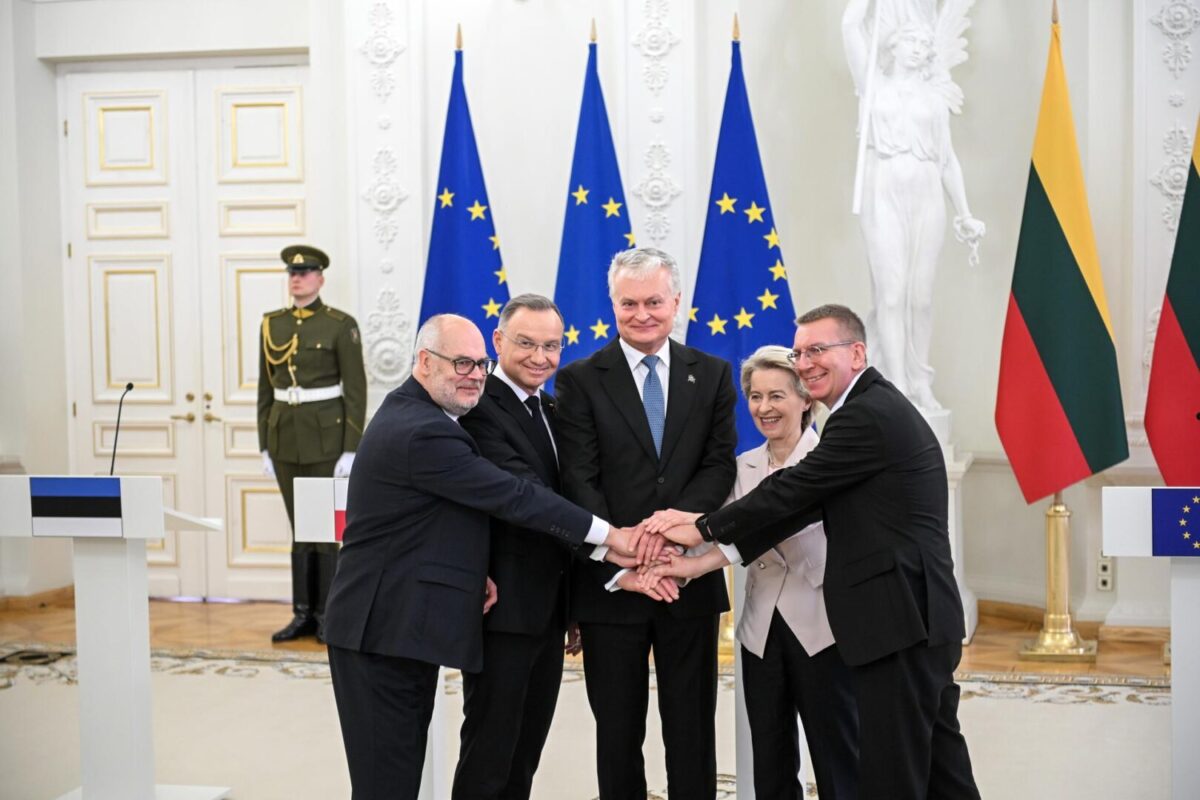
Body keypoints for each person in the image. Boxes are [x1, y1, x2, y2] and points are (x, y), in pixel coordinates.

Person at [654, 304, 979, 799]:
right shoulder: (865, 410)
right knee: (941, 769)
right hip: (916, 620)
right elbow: (800, 509)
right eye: (800, 352)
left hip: (900, 624)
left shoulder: (864, 415)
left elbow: (793, 491)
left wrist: (700, 525)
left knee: (894, 778)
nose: (806, 362)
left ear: (856, 352)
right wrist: (699, 556)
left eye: (818, 350)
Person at [322, 313, 642, 800]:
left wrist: (476, 572)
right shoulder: (425, 431)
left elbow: (439, 519)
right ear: (425, 363)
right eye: (462, 363)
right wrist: (610, 537)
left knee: (397, 778)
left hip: (400, 629)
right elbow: (512, 496)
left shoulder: (427, 416)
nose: (475, 373)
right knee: (386, 784)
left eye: (479, 363)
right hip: (379, 632)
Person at [554, 247, 737, 799]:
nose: (642, 314)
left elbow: (719, 464)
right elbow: (578, 480)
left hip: (689, 579)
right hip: (612, 585)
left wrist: (675, 539)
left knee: (692, 728)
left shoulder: (713, 375)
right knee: (617, 731)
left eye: (653, 301)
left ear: (675, 302)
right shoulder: (580, 380)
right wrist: (629, 550)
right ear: (612, 305)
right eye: (628, 303)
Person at [642, 345, 859, 799]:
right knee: (770, 758)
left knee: (837, 757)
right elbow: (713, 530)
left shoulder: (830, 459)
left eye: (776, 396)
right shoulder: (743, 467)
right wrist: (663, 552)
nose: (764, 408)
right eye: (755, 397)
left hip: (823, 627)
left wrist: (698, 559)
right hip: (761, 630)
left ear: (805, 399)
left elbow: (761, 526)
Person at [451, 294, 579, 799]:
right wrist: (612, 543)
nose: (539, 357)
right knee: (489, 752)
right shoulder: (479, 407)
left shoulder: (550, 407)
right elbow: (529, 496)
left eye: (551, 346)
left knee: (525, 751)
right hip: (501, 609)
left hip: (547, 608)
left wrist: (573, 605)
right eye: (526, 343)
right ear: (498, 341)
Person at [843, 0, 985, 410]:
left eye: (926, 43)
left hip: (926, 194)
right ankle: (898, 387)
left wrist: (965, 212)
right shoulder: (870, 84)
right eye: (912, 40)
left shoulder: (935, 99)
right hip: (882, 188)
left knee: (920, 296)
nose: (920, 47)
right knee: (891, 293)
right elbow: (851, 24)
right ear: (892, 47)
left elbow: (947, 160)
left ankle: (920, 379)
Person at [257, 244, 366, 643]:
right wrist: (263, 444)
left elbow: (355, 389)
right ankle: (302, 613)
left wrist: (351, 447)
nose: (297, 278)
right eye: (292, 273)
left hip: (326, 440)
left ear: (320, 278)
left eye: (305, 272)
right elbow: (264, 388)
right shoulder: (272, 324)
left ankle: (328, 615)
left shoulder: (340, 324)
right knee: (299, 529)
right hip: (284, 436)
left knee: (325, 531)